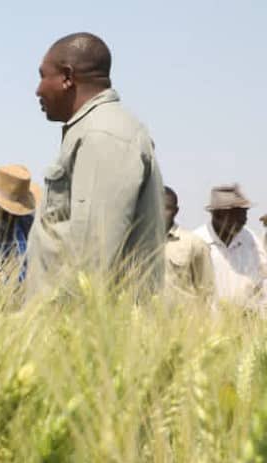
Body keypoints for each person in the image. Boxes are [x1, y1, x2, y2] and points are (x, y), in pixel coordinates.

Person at [26, 32, 165, 299]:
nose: (38, 89)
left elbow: (93, 259)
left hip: (87, 330)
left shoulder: (103, 136)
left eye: (43, 76)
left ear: (67, 77)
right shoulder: (95, 131)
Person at [191, 185, 265, 310]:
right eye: (236, 215)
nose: (244, 220)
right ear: (217, 215)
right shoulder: (197, 241)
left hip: (246, 321)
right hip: (207, 323)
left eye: (244, 214)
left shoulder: (251, 240)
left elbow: (263, 279)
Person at [162, 185, 214, 303]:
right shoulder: (140, 244)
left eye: (166, 208)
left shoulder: (194, 244)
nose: (160, 212)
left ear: (176, 211)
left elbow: (207, 291)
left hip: (183, 318)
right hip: (147, 319)